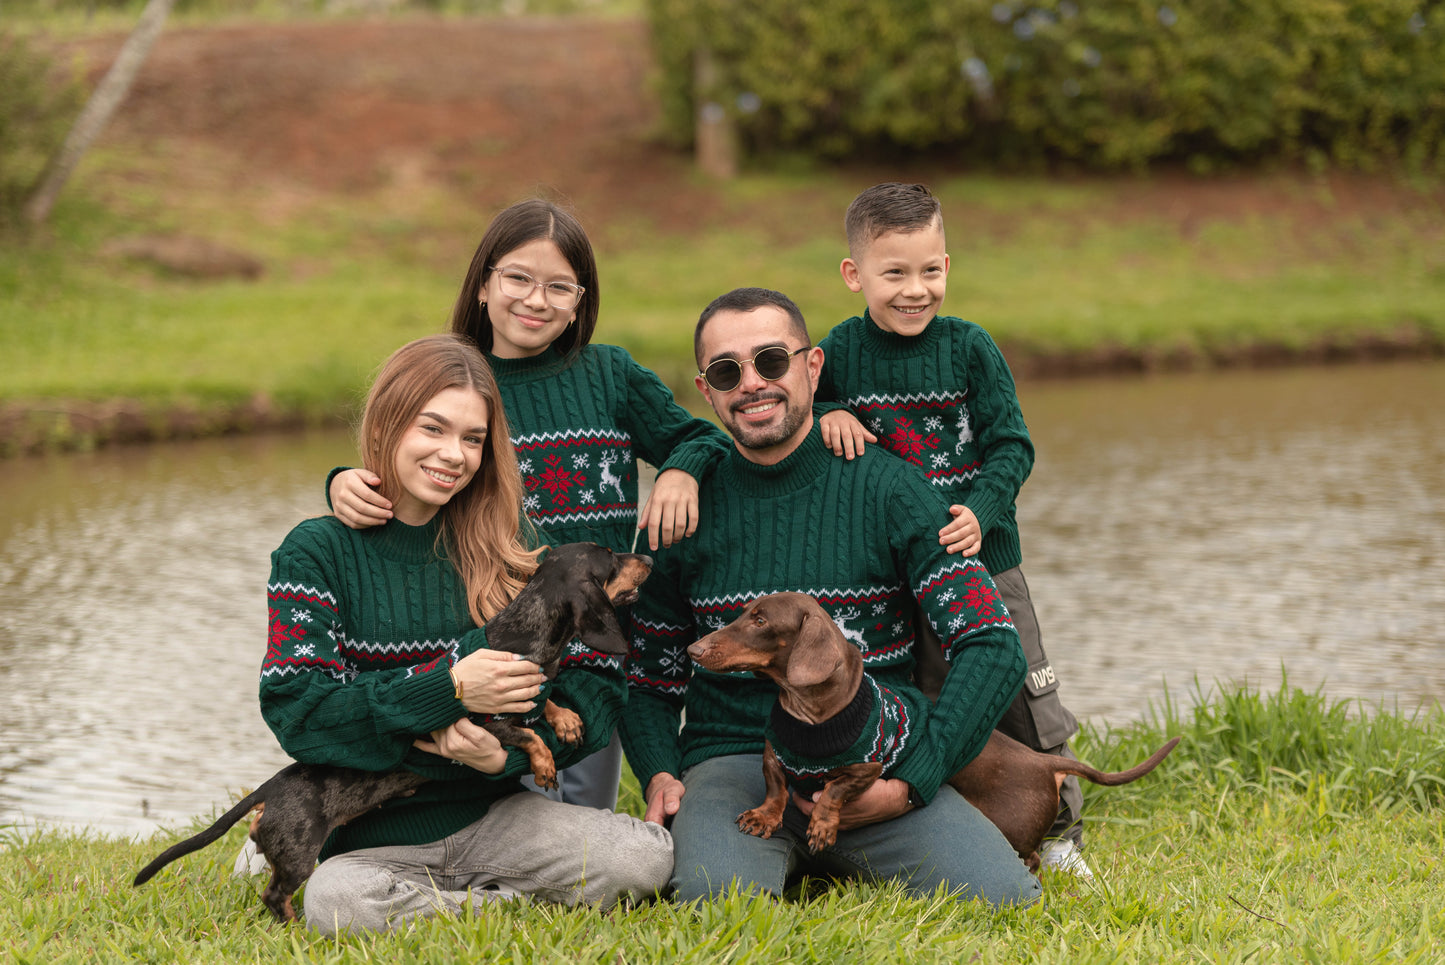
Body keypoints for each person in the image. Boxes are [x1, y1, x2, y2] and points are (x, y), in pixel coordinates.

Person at [620, 287, 1041, 908]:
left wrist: (916, 778)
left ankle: (835, 855)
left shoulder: (891, 488)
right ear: (706, 390)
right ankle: (774, 857)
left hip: (870, 761)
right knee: (715, 906)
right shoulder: (683, 510)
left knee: (1005, 897)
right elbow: (647, 675)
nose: (753, 384)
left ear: (812, 367)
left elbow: (993, 644)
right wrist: (659, 768)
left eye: (772, 361)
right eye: (728, 371)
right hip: (736, 763)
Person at [261, 334, 671, 935]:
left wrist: (504, 753)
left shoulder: (511, 545)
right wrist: (448, 686)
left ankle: (459, 906)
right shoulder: (316, 553)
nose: (453, 454)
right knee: (338, 901)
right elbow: (299, 713)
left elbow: (597, 686)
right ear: (388, 422)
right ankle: (506, 909)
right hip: (373, 838)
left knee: (645, 855)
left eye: (472, 438)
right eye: (432, 428)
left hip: (499, 816)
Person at [329, 199, 729, 810]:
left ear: (579, 302)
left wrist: (679, 468)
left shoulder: (608, 374)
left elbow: (698, 435)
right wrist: (341, 482)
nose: (536, 300)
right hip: (491, 635)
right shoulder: (456, 377)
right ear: (484, 283)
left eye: (559, 287)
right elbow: (401, 464)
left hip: (593, 642)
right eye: (517, 277)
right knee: (482, 794)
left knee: (576, 812)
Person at [815, 181, 1089, 878]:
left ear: (947, 265)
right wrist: (830, 414)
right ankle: (979, 815)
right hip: (901, 574)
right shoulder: (837, 353)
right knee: (943, 695)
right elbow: (809, 412)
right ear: (855, 275)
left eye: (930, 270)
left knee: (1026, 696)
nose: (915, 289)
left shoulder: (970, 348)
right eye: (894, 273)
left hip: (983, 557)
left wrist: (982, 510)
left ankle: (1064, 831)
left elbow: (1012, 446)